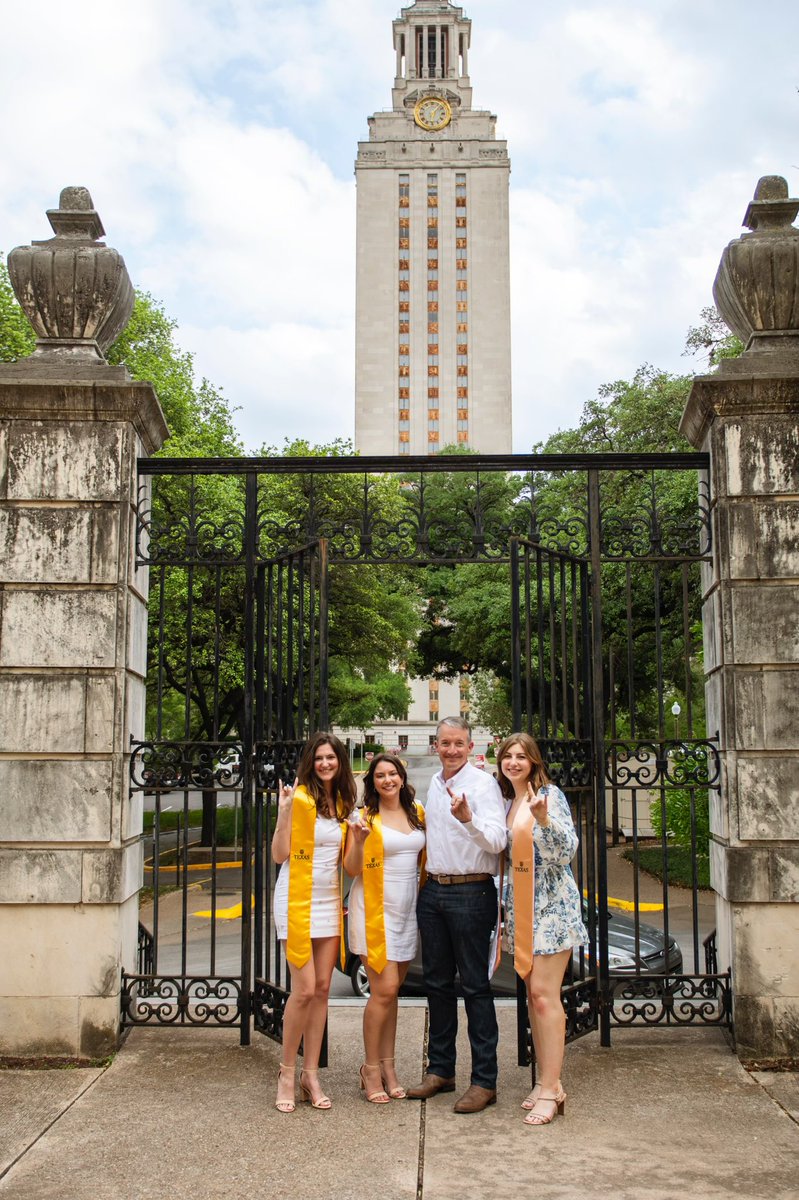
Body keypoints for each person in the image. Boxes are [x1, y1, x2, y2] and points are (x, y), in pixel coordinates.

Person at [407, 717, 507, 1114]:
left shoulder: (483, 786)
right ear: (436, 746)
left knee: (476, 987)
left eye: (458, 744)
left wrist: (468, 819)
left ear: (470, 746)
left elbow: (498, 840)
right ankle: (441, 1070)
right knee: (436, 984)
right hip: (433, 891)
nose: (451, 750)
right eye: (444, 743)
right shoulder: (433, 783)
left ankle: (484, 1080)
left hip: (471, 890)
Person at [496, 732, 588, 1126]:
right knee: (534, 997)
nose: (514, 762)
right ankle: (546, 1081)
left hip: (552, 907)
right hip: (522, 907)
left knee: (545, 996)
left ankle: (552, 1088)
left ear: (534, 761)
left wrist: (544, 818)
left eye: (522, 756)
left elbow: (567, 850)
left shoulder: (548, 795)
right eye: (508, 756)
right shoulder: (510, 799)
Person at [271, 731, 357, 1113]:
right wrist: (284, 812)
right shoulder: (299, 798)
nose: (325, 763)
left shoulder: (343, 803)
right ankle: (286, 1072)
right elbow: (278, 856)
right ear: (311, 762)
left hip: (327, 901)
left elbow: (350, 866)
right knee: (304, 990)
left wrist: (358, 836)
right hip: (296, 898)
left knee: (322, 990)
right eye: (319, 758)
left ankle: (311, 1073)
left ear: (339, 762)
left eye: (332, 758)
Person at [343, 753, 426, 1103]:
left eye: (393, 774)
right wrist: (359, 840)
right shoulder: (363, 818)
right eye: (380, 775)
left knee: (392, 994)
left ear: (403, 778)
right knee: (384, 989)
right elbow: (350, 869)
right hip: (373, 911)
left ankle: (389, 1067)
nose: (388, 780)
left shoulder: (417, 812)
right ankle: (370, 1068)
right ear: (372, 782)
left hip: (407, 912)